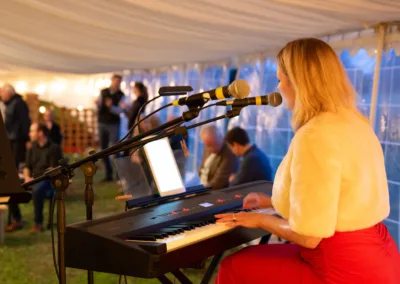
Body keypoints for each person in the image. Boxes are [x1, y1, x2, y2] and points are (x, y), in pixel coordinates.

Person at [215, 38, 400, 284]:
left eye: (281, 79)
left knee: (234, 265)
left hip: (340, 266)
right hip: (381, 257)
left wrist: (260, 219)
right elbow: (338, 201)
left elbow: (310, 235)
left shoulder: (315, 134)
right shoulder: (355, 122)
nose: (278, 87)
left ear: (300, 82)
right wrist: (271, 202)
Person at [1, 83, 31, 232]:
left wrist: (26, 140)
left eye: (2, 93)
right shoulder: (10, 103)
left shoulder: (18, 103)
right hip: (11, 140)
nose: (1, 96)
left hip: (17, 140)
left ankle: (16, 219)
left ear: (9, 93)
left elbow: (25, 122)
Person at [24, 123, 63, 232]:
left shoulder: (54, 148)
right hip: (32, 179)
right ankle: (16, 219)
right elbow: (27, 166)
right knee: (11, 186)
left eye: (32, 131)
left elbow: (53, 169)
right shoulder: (32, 147)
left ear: (40, 133)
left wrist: (35, 179)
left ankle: (38, 223)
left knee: (37, 190)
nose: (29, 134)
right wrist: (27, 177)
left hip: (47, 180)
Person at [96, 74, 125, 181]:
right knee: (103, 149)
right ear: (112, 81)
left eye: (118, 81)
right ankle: (108, 174)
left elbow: (120, 111)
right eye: (115, 81)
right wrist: (98, 105)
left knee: (115, 149)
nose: (116, 83)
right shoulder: (103, 92)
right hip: (102, 123)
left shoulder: (121, 95)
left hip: (113, 124)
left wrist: (111, 107)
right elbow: (99, 105)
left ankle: (119, 175)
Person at [198, 125, 238, 190]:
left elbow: (217, 183)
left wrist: (198, 191)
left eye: (213, 145)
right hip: (202, 185)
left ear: (221, 137)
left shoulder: (229, 154)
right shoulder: (209, 144)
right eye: (207, 145)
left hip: (214, 191)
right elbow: (202, 168)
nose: (210, 149)